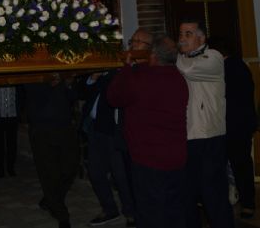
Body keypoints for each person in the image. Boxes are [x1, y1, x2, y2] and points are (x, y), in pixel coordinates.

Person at [107, 35, 189, 228]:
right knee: (174, 209)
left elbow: (113, 98)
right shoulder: (179, 78)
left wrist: (127, 68)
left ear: (152, 56)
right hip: (177, 157)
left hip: (148, 159)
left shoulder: (141, 77)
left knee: (150, 211)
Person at [80, 29, 149, 226]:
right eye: (132, 41)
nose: (132, 45)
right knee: (95, 172)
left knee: (121, 175)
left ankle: (131, 212)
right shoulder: (114, 63)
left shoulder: (140, 69)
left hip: (116, 129)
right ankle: (109, 209)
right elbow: (83, 92)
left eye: (138, 42)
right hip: (95, 127)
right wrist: (93, 77)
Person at [176, 19, 234, 228]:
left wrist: (170, 55)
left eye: (188, 34)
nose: (182, 39)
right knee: (188, 194)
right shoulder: (182, 60)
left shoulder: (214, 57)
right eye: (181, 34)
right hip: (186, 136)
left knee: (213, 194)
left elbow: (190, 70)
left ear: (202, 38)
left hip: (209, 136)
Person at [209, 36, 257, 219]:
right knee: (240, 164)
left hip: (234, 125)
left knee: (239, 165)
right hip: (240, 124)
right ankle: (246, 202)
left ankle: (246, 203)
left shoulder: (228, 69)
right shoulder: (239, 66)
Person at [25, 75, 79, 228]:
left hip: (64, 127)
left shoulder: (62, 70)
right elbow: (35, 93)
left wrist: (68, 84)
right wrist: (56, 84)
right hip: (41, 129)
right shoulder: (32, 72)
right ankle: (62, 215)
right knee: (49, 173)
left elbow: (73, 96)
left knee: (70, 167)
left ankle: (51, 200)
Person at [0, 85, 21, 178]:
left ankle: (10, 168)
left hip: (12, 116)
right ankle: (0, 170)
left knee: (12, 144)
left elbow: (21, 97)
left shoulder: (16, 84)